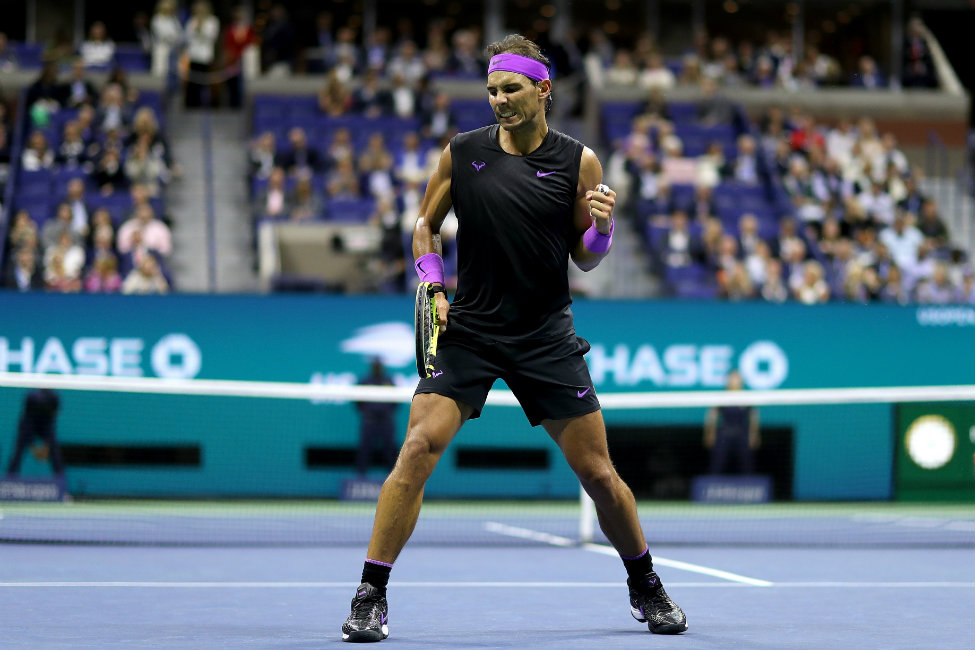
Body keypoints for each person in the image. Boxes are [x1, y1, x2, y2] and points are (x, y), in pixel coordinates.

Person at [340, 34, 687, 643]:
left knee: (600, 476)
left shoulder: (579, 162)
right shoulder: (462, 152)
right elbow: (426, 226)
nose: (498, 99)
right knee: (417, 448)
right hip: (469, 329)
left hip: (545, 335)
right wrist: (431, 284)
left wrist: (603, 231)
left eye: (511, 88)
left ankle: (646, 586)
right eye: (493, 88)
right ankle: (371, 594)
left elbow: (586, 257)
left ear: (542, 89)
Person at [703, 370, 760, 475]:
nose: (734, 380)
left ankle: (749, 485)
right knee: (718, 462)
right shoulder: (722, 396)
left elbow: (753, 416)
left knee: (746, 463)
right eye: (732, 378)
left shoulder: (746, 397)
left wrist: (754, 434)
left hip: (742, 432)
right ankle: (713, 484)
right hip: (725, 433)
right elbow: (712, 415)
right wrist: (710, 433)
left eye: (737, 378)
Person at [5, 389, 65, 478]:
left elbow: (51, 429)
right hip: (29, 424)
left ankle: (61, 482)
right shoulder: (32, 400)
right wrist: (34, 448)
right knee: (18, 452)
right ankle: (9, 480)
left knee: (55, 451)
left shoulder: (53, 400)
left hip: (44, 425)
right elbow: (27, 431)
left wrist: (46, 446)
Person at [354, 359, 399, 477]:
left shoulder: (388, 381)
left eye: (379, 366)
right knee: (365, 450)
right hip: (370, 422)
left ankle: (393, 478)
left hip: (386, 422)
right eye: (375, 366)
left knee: (390, 450)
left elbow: (396, 402)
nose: (377, 368)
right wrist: (367, 412)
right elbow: (357, 401)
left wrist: (387, 412)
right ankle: (360, 477)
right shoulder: (365, 381)